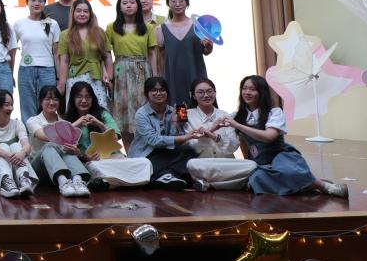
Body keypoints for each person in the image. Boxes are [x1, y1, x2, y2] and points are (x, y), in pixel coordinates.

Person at [217, 75, 347, 197]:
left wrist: (238, 126)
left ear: (262, 92)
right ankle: (307, 184)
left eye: (252, 89)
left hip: (280, 156)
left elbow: (269, 137)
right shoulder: (238, 116)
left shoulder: (274, 113)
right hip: (260, 162)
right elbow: (243, 142)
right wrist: (249, 163)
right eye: (244, 88)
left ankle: (326, 187)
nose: (247, 92)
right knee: (256, 179)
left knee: (290, 171)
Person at [65, 81, 151, 189]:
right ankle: (126, 182)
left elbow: (115, 139)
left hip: (114, 159)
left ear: (93, 99)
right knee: (94, 167)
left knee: (145, 162)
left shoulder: (103, 114)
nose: (84, 100)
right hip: (93, 163)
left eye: (88, 97)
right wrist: (76, 124)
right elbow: (63, 144)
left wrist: (100, 124)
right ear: (73, 99)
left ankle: (111, 183)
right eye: (79, 97)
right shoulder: (68, 120)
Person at [184, 78, 258, 191]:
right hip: (204, 165)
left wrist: (215, 137)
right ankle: (232, 183)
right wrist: (212, 129)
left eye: (209, 91)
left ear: (215, 93)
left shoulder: (225, 115)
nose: (206, 95)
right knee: (191, 164)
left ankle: (209, 184)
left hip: (225, 164)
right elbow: (192, 145)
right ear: (193, 95)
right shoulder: (187, 115)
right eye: (200, 92)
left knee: (252, 165)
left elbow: (234, 146)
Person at [127, 76, 200, 189]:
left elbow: (176, 142)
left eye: (162, 90)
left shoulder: (174, 110)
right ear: (146, 94)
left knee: (189, 151)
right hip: (145, 157)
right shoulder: (141, 114)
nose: (158, 93)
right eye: (154, 90)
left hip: (164, 154)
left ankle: (164, 175)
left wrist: (176, 122)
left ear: (167, 92)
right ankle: (164, 175)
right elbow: (153, 140)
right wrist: (184, 138)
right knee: (182, 164)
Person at [105, 0, 159, 139]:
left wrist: (155, 76)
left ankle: (144, 146)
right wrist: (109, 77)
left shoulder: (147, 27)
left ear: (137, 6)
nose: (128, 5)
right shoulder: (111, 27)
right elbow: (106, 54)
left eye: (132, 2)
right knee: (121, 110)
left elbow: (152, 53)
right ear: (119, 7)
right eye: (125, 3)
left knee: (142, 107)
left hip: (142, 70)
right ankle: (129, 150)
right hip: (120, 70)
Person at [27, 85, 92, 196]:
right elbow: (47, 136)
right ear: (40, 101)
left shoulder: (65, 123)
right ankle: (63, 183)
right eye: (48, 99)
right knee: (49, 146)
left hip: (63, 171)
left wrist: (76, 152)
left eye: (55, 99)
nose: (52, 102)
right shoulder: (33, 121)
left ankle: (77, 180)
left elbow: (72, 149)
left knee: (67, 150)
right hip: (39, 170)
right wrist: (74, 125)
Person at [155, 0, 213, 107]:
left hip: (195, 71)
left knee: (199, 102)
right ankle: (180, 120)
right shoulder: (161, 29)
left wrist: (209, 46)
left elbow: (206, 52)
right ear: (168, 4)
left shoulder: (198, 25)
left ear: (187, 3)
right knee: (178, 108)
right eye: (173, 1)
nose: (177, 4)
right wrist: (162, 76)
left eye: (181, 1)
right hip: (173, 75)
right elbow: (161, 55)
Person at [12, 0, 61, 125]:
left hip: (48, 70)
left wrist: (58, 77)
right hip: (26, 70)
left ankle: (48, 136)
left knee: (48, 106)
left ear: (44, 4)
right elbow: (12, 50)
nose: (37, 3)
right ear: (27, 2)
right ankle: (30, 137)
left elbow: (57, 53)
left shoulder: (53, 24)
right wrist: (10, 73)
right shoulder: (19, 24)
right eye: (33, 0)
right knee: (27, 107)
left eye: (40, 1)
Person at [0, 89, 37, 197]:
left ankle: (24, 179)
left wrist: (22, 153)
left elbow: (26, 145)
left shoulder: (17, 123)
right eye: (7, 105)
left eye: (11, 104)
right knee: (3, 146)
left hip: (15, 166)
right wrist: (8, 155)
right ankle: (6, 182)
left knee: (16, 146)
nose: (10, 108)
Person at [57, 0, 113, 108]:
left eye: (86, 11)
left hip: (96, 77)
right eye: (78, 11)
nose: (82, 14)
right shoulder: (65, 34)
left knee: (99, 109)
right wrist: (62, 84)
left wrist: (110, 79)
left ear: (90, 14)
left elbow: (107, 57)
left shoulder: (99, 32)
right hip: (74, 78)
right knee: (76, 110)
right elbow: (64, 61)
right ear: (73, 13)